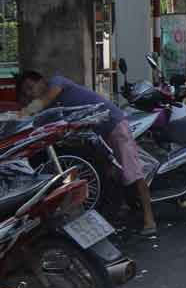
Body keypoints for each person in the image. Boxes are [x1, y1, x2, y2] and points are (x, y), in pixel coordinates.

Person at [17, 70, 159, 236]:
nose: (30, 92)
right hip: (99, 134)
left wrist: (20, 115)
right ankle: (126, 207)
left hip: (113, 124)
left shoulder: (57, 81)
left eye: (30, 87)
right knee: (111, 173)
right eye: (25, 92)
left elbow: (42, 103)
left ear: (41, 80)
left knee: (132, 172)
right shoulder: (51, 106)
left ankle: (150, 218)